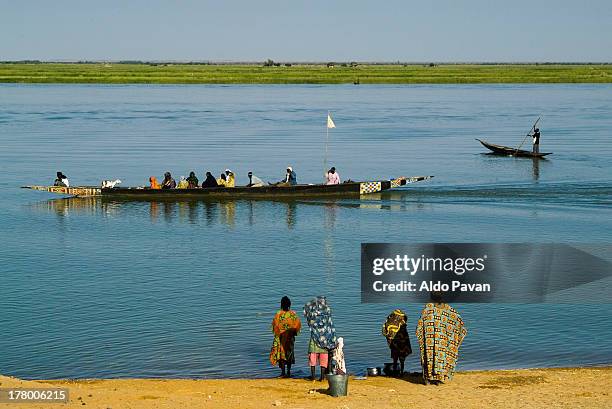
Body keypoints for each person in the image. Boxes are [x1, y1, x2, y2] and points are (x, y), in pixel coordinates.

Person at [416, 292, 467, 385]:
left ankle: (428, 378)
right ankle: (438, 378)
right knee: (441, 358)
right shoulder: (449, 310)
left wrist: (421, 335)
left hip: (429, 341)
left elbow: (420, 326)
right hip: (443, 340)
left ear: (431, 297)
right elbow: (459, 323)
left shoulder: (428, 308)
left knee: (428, 357)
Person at [304, 296, 337, 381]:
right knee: (324, 358)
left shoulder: (313, 314)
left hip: (314, 339)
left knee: (312, 357)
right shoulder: (327, 313)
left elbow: (306, 313)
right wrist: (333, 341)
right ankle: (322, 377)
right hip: (325, 341)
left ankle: (313, 376)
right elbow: (330, 328)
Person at [270, 296, 302, 378]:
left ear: (281, 304)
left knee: (281, 355)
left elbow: (275, 326)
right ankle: (288, 372)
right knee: (289, 355)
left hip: (281, 338)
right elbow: (297, 326)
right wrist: (292, 333)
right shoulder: (293, 314)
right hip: (290, 339)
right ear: (289, 305)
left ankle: (283, 372)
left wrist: (278, 334)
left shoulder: (278, 314)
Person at [382, 309, 412, 376]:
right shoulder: (402, 322)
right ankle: (401, 372)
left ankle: (394, 372)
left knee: (395, 359)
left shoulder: (389, 321)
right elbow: (405, 333)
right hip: (402, 343)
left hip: (394, 344)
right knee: (402, 359)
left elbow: (384, 332)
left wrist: (389, 337)